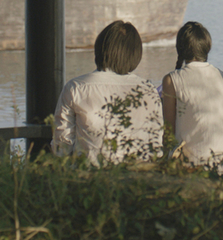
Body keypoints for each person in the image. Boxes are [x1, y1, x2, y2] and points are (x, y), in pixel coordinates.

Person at [53, 20, 163, 163]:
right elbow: (156, 143)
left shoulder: (76, 88)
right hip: (139, 177)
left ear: (100, 49)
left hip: (91, 179)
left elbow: (62, 145)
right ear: (135, 54)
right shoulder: (148, 90)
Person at [161, 21, 223, 168]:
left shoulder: (172, 80)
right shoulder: (221, 75)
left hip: (195, 166)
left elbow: (168, 131)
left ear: (180, 49)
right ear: (206, 47)